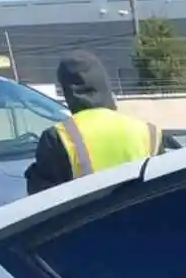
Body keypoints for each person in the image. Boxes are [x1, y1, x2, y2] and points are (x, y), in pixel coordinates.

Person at [24, 52, 165, 195]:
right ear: (105, 85)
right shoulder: (148, 131)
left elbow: (42, 199)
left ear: (67, 91)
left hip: (91, 217)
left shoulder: (58, 137)